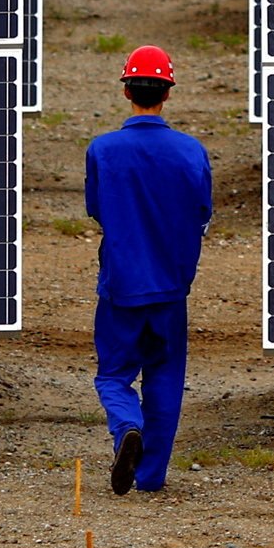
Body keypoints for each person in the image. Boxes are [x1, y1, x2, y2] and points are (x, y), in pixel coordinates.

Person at [83, 44, 211, 496]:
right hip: (172, 289)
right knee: (166, 377)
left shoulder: (103, 150)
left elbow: (96, 209)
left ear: (126, 91)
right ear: (167, 94)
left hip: (120, 286)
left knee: (114, 374)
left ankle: (126, 426)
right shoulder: (191, 152)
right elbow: (202, 211)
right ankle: (151, 476)